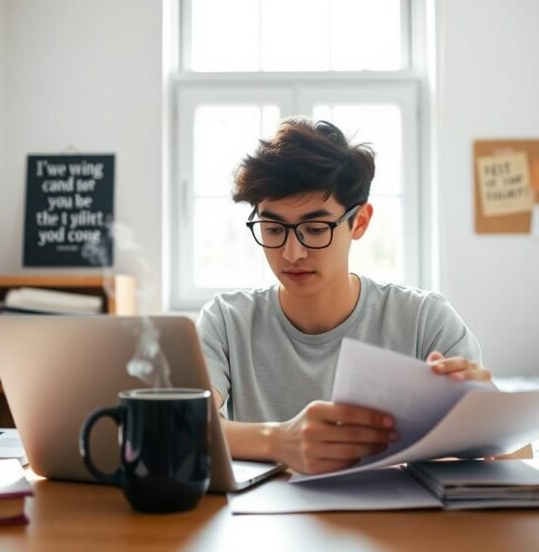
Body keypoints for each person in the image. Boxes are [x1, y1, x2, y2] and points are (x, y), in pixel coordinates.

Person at [196, 118, 517, 476]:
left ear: (360, 222)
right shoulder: (226, 321)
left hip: (391, 527)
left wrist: (487, 411)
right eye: (272, 229)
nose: (291, 252)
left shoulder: (424, 319)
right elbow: (185, 428)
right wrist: (279, 441)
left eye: (315, 229)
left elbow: (516, 457)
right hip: (258, 524)